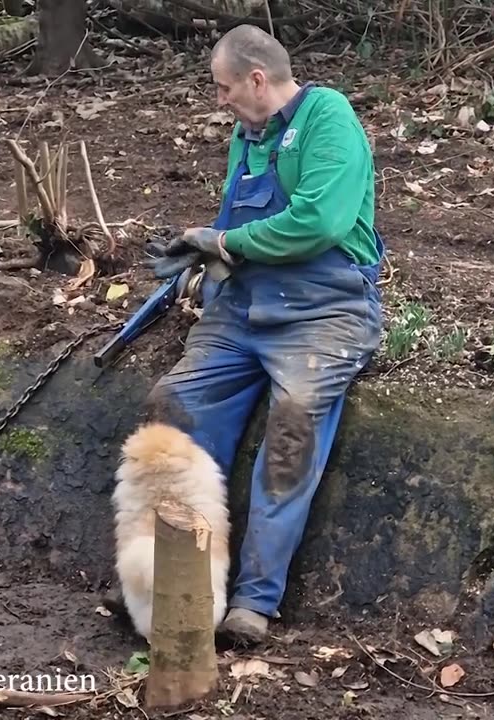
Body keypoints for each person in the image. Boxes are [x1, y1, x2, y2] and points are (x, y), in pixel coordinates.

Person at [134, 23, 386, 646]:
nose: (219, 102)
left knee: (293, 420)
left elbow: (318, 222)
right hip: (243, 311)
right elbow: (232, 226)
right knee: (174, 406)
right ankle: (182, 587)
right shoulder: (246, 139)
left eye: (223, 89)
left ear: (256, 78)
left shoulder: (328, 116)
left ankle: (255, 599)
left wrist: (225, 243)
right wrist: (203, 259)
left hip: (326, 313)